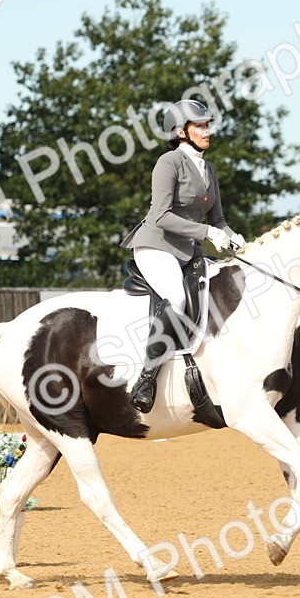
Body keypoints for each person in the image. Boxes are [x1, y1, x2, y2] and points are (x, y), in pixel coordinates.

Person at [120, 99, 246, 412]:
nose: (207, 131)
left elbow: (217, 220)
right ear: (181, 132)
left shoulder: (209, 169)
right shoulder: (169, 162)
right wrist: (207, 234)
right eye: (200, 126)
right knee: (175, 298)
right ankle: (146, 379)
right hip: (157, 245)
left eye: (207, 125)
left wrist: (232, 237)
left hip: (190, 251)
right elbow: (159, 216)